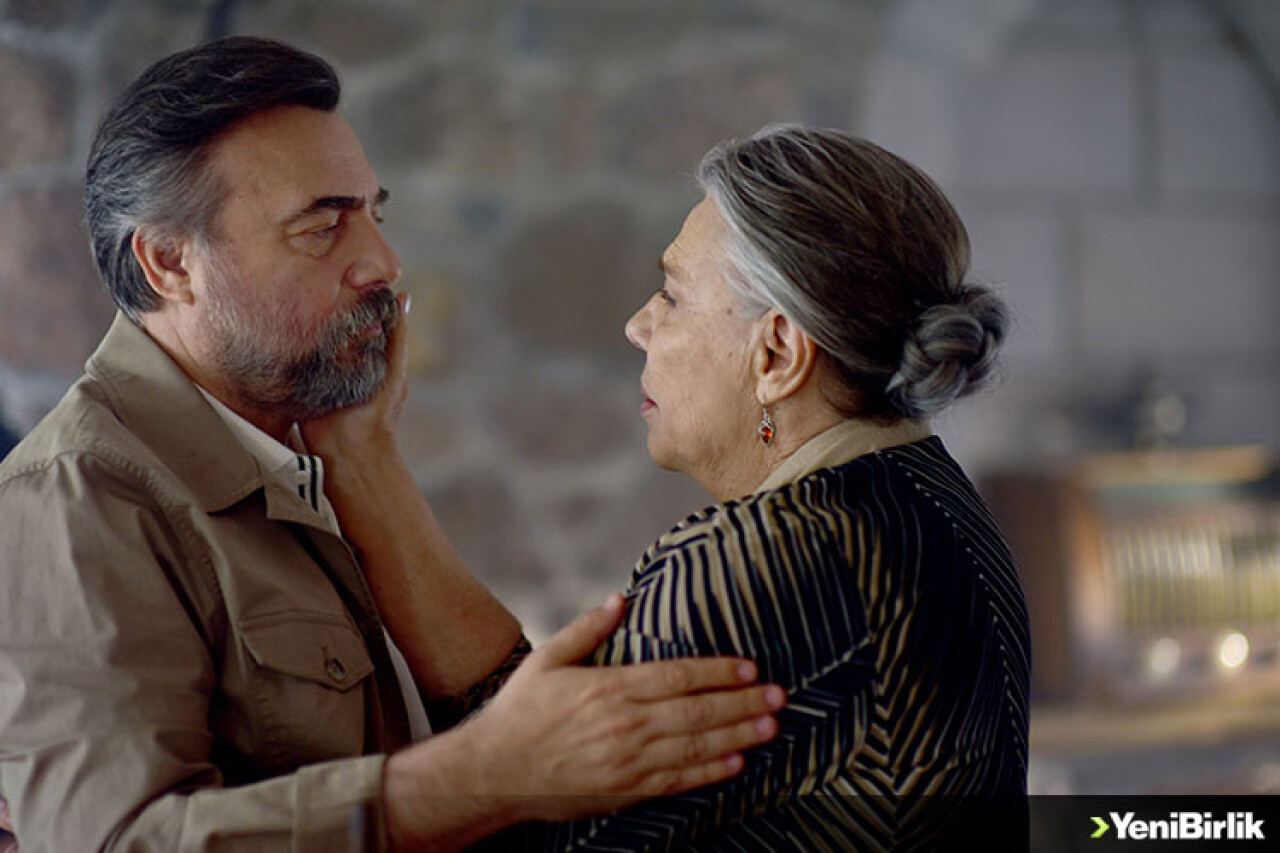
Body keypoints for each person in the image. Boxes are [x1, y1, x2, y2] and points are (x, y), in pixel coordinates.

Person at [0, 37, 788, 853]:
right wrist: (478, 774)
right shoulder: (76, 499)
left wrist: (364, 463)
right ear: (169, 263)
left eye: (373, 215)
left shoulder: (302, 455)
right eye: (322, 227)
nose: (382, 261)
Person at [315, 126, 1032, 850]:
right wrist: (361, 455)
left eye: (672, 295)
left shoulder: (763, 561)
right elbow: (545, 744)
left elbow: (513, 828)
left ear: (777, 354)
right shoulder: (936, 501)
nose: (638, 326)